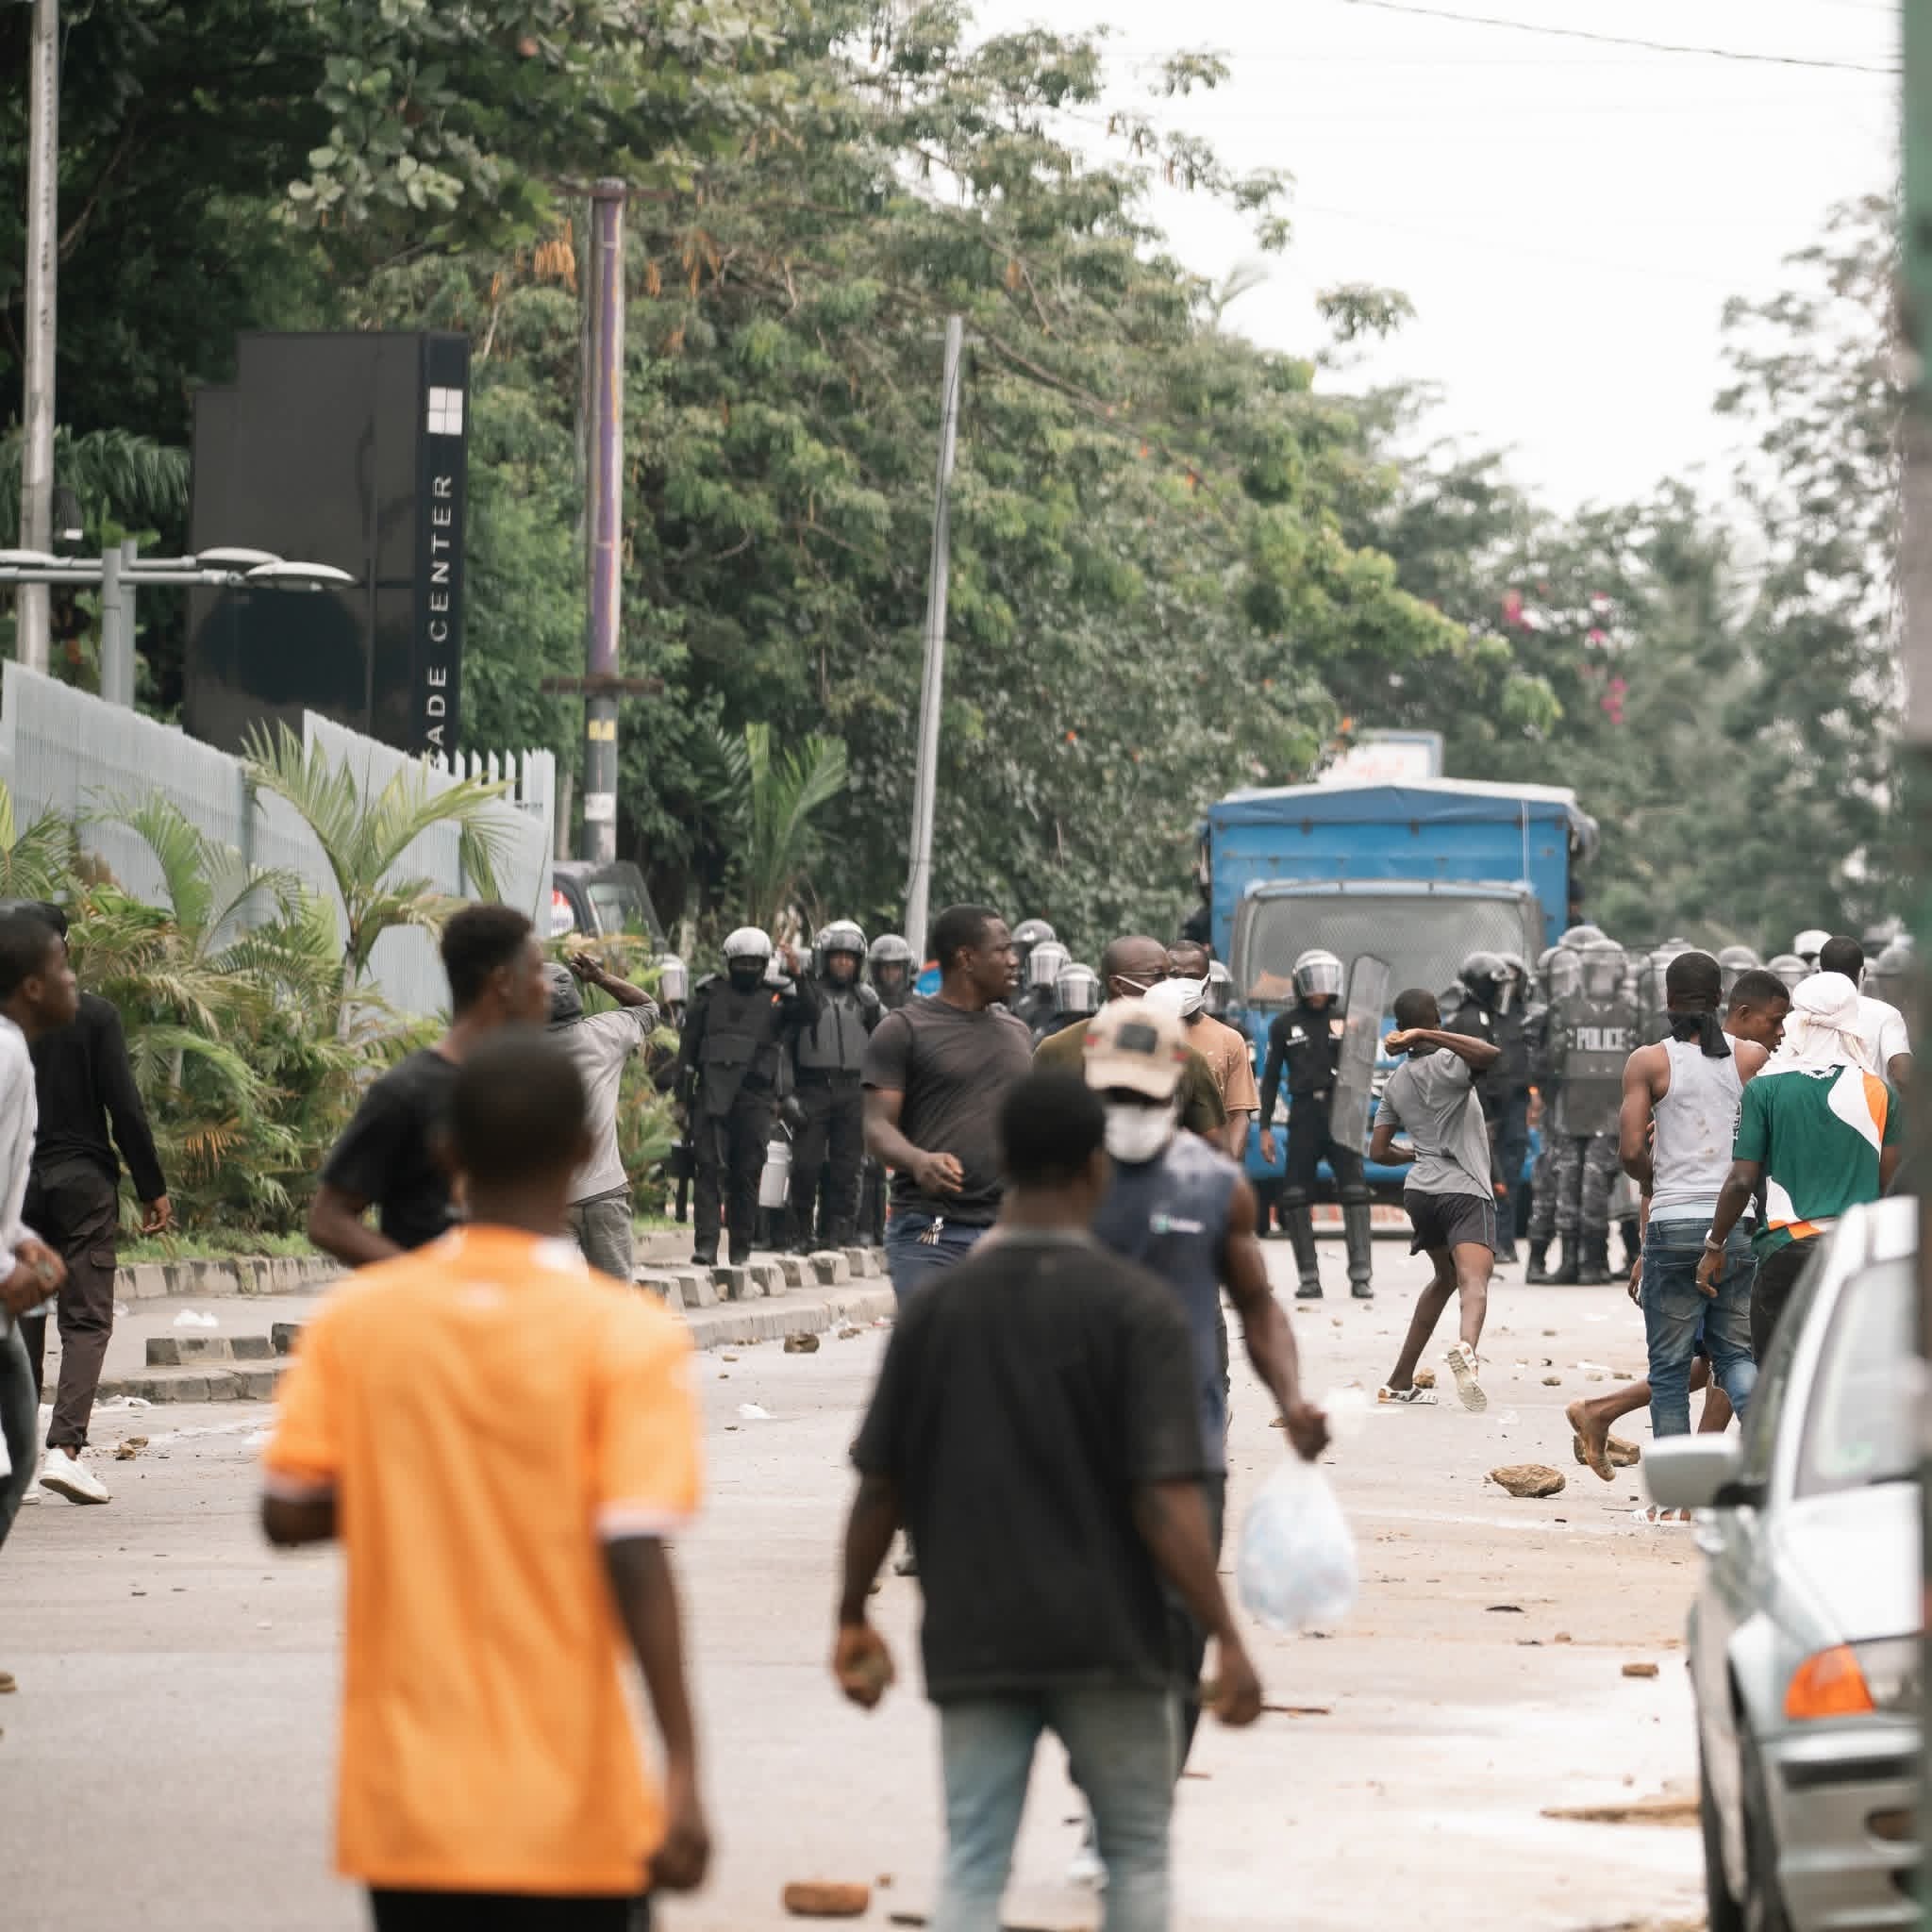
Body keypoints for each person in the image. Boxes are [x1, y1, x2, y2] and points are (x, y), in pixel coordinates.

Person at [262, 1030, 708, 1930]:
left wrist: (414, 1477)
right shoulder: (625, 1334)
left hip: (410, 1807)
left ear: (445, 1154)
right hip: (575, 1808)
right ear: (583, 1149)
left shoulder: (361, 1321)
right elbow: (635, 1552)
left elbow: (286, 1512)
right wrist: (685, 1773)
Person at [833, 1071, 1263, 1932]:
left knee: (972, 1860)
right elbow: (1163, 1501)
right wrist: (1224, 1633)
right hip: (1115, 1639)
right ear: (1095, 1167)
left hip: (977, 1635)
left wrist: (851, 1615)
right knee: (1136, 1857)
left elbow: (882, 1484)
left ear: (1004, 1162)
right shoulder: (1139, 1312)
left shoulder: (937, 1309)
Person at [1082, 997, 1325, 1767]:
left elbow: (1258, 1308)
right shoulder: (1057, 1179)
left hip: (1187, 1434)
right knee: (1090, 1611)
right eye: (1114, 1089)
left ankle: (1152, 1779)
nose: (1128, 1104)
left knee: (1182, 1617)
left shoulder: (1214, 1186)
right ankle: (1106, 1771)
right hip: (1077, 1430)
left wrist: (1291, 1399)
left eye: (1142, 1088)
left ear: (1175, 1083)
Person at [1568, 965, 1790, 1483]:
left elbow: (1630, 1151)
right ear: (1719, 998)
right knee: (1737, 1358)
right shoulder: (1752, 1059)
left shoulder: (1648, 1061)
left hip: (1672, 1225)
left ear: (1667, 999)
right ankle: (1772, 1459)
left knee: (1669, 1370)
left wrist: (1657, 1180)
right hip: (1734, 1225)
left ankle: (1675, 1501)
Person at [6, 901, 168, 1507]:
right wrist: (152, 1187)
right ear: (62, 951)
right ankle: (64, 1452)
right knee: (87, 1316)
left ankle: (19, 1458)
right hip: (83, 1182)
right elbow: (124, 1105)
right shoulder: (92, 1015)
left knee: (23, 1313)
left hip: (22, 1186)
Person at [309, 904, 548, 1268]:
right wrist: (425, 1283)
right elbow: (328, 1220)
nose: (548, 988)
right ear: (503, 982)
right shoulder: (406, 1092)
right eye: (538, 971)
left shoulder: (529, 1090)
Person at [1702, 971, 1903, 1358]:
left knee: (1775, 1376)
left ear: (1799, 1020)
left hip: (1785, 1251)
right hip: (1852, 1255)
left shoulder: (1765, 1088)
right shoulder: (1880, 1093)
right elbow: (1889, 1185)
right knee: (1845, 1370)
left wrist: (1714, 1245)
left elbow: (1741, 1180)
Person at [863, 905, 1033, 1301]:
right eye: (1002, 950)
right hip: (931, 1229)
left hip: (1006, 1229)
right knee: (935, 1338)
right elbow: (876, 1127)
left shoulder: (1018, 1033)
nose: (1014, 961)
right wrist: (918, 1161)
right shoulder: (903, 1029)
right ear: (966, 959)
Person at [1369, 989, 1502, 1411]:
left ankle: (1399, 1380)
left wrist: (1415, 1154)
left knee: (1444, 1278)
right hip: (1464, 1189)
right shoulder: (1451, 1063)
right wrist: (1429, 1035)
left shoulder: (1395, 1082)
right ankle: (1467, 1350)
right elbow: (1489, 1054)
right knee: (1473, 1280)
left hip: (1421, 1192)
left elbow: (1378, 1151)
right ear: (1437, 1020)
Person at [0, 910, 79, 1557]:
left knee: (18, 1455)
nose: (72, 979)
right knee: (14, 1461)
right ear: (32, 986)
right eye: (62, 967)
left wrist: (20, 1238)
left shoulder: (14, 1053)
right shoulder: (4, 1057)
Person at [675, 927, 819, 1269]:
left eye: (755, 962)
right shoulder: (709, 996)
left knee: (747, 1172)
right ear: (728, 962)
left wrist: (799, 975)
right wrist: (682, 1101)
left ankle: (740, 1248)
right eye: (741, 962)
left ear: (765, 964)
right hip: (711, 1096)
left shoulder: (777, 999)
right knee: (708, 1170)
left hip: (754, 1099)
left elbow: (811, 1014)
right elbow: (688, 1053)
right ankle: (706, 1245)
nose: (748, 968)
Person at [1257, 948, 1371, 1301]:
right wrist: (1264, 1128)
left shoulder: (1349, 1021)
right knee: (1294, 1196)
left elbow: (1363, 1073)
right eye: (1313, 982)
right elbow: (1271, 1078)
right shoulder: (1283, 1025)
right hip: (1304, 1114)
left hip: (1341, 1113)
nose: (1319, 990)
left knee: (1355, 1191)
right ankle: (1309, 1278)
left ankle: (1361, 1276)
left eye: (1325, 982)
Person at [1035, 936, 1225, 1141]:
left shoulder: (1187, 1059)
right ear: (1118, 984)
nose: (1170, 986)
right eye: (1158, 977)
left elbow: (1216, 1148)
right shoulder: (1056, 1051)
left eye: (1170, 975)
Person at [546, 952, 659, 1286]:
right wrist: (600, 977)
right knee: (617, 1298)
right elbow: (648, 1008)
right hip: (605, 1193)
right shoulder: (605, 1033)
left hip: (551, 1202)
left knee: (557, 1298)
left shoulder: (519, 1053)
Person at [1541, 937, 1637, 1286]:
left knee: (1594, 1191)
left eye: (1608, 972)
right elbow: (1549, 1063)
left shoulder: (1631, 1012)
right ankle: (1569, 1261)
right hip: (1572, 1113)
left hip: (1609, 1115)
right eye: (1597, 971)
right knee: (1567, 1189)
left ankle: (1594, 1262)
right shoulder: (1566, 1009)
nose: (1602, 978)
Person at [787, 921, 879, 1253]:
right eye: (837, 956)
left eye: (849, 957)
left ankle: (838, 1234)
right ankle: (801, 1233)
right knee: (806, 1165)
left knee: (847, 1167)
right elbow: (784, 1047)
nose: (843, 962)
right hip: (813, 1089)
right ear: (824, 958)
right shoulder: (805, 994)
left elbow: (884, 1047)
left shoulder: (868, 1001)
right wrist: (786, 1094)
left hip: (853, 1090)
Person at [1443, 951, 1529, 1265]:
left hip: (1506, 1108)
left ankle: (1501, 1242)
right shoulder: (1470, 1020)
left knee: (1505, 1177)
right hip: (1485, 1112)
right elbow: (1476, 1073)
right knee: (1488, 1180)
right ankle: (1484, 1244)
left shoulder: (1498, 1016)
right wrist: (1487, 1115)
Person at [1164, 941, 1260, 1158]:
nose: (1182, 983)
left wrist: (1227, 1166)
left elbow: (1239, 1116)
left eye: (1192, 977)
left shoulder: (1230, 1039)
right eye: (1175, 975)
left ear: (1206, 984)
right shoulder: (1143, 1031)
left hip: (1208, 1162)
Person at [1817, 934, 1911, 1089]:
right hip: (1871, 1102)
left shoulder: (1797, 1018)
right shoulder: (1886, 1014)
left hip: (1812, 1103)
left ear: (1818, 973)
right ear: (1863, 973)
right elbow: (1902, 1074)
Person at [1010, 939, 1071, 1043]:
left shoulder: (1071, 1005)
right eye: (1042, 965)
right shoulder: (1023, 1006)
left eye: (1049, 965)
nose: (1046, 971)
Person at [868, 933, 916, 1012]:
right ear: (876, 970)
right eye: (885, 966)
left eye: (896, 967)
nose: (890, 972)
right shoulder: (866, 1000)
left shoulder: (919, 1004)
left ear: (905, 969)